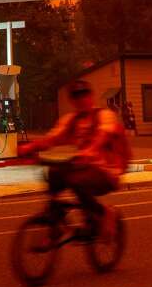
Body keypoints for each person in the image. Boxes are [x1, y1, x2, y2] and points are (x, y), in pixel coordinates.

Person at [19, 80, 126, 235]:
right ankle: (55, 219)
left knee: (76, 181)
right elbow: (52, 139)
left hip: (107, 171)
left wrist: (90, 151)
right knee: (53, 173)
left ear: (91, 96)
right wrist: (29, 148)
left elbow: (102, 136)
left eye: (84, 95)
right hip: (84, 166)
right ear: (72, 100)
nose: (81, 99)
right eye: (76, 96)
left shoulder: (105, 116)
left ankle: (103, 213)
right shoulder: (71, 120)